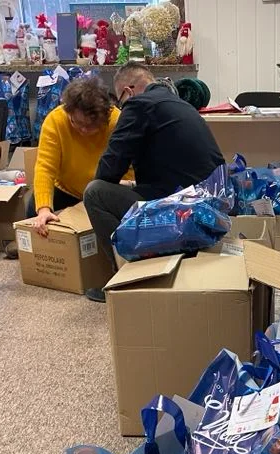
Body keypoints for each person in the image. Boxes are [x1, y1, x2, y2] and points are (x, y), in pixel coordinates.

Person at [82, 62, 225, 300]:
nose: (122, 107)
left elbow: (108, 169)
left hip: (183, 213)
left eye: (120, 102)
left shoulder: (138, 104)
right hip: (212, 210)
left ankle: (124, 284)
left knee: (95, 193)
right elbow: (172, 168)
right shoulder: (179, 105)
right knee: (125, 191)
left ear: (128, 91)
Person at [8, 76, 125, 258]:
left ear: (104, 116)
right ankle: (32, 246)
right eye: (77, 123)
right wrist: (44, 210)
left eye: (90, 125)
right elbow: (45, 168)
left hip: (104, 190)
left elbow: (129, 169)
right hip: (67, 189)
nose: (83, 130)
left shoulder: (117, 121)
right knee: (35, 204)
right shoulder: (56, 120)